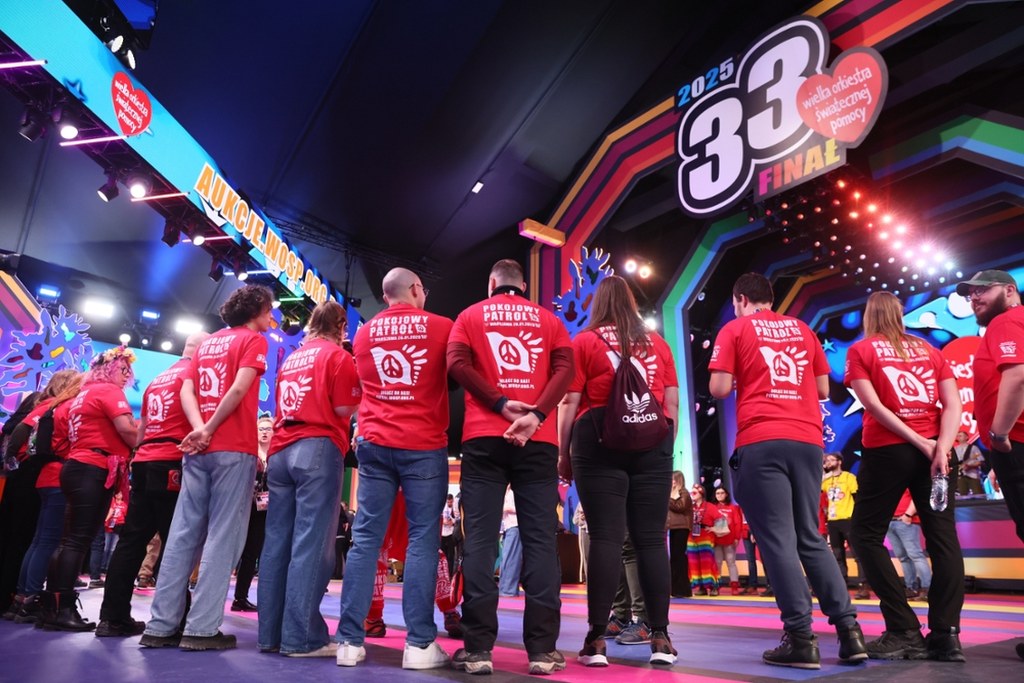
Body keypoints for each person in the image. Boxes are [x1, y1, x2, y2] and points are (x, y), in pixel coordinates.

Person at [708, 273, 867, 669]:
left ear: (740, 299)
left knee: (778, 540)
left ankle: (800, 638)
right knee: (810, 537)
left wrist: (748, 377)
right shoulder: (803, 330)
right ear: (771, 298)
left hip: (763, 438)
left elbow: (719, 388)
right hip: (808, 441)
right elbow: (823, 390)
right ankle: (850, 633)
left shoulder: (735, 329)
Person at [445, 258, 573, 675]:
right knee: (540, 541)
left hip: (483, 436)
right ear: (523, 285)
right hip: (538, 439)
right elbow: (566, 370)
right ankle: (542, 651)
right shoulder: (549, 320)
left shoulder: (469, 316)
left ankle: (478, 649)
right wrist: (536, 414)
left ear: (491, 283)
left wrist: (499, 403)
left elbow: (456, 365)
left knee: (481, 542)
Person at [141, 284, 272, 651]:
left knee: (182, 535)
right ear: (256, 309)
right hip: (232, 447)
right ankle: (200, 628)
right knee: (223, 536)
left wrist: (199, 429)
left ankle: (161, 626)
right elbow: (239, 389)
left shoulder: (207, 342)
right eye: (269, 309)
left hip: (197, 449)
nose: (272, 316)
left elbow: (188, 391)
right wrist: (210, 428)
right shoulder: (253, 341)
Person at [557, 275, 679, 667]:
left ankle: (596, 641)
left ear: (599, 305)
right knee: (651, 541)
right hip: (653, 443)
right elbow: (672, 404)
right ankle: (660, 638)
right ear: (631, 303)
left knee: (606, 539)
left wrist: (563, 453)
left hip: (597, 441)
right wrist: (664, 449)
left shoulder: (584, 342)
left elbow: (569, 402)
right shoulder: (658, 344)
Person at [334, 268, 452, 670]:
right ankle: (419, 645)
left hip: (374, 442)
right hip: (422, 443)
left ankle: (349, 642)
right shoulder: (441, 326)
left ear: (386, 296)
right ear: (416, 289)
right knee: (422, 540)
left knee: (365, 540)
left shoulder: (364, 333)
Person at [846, 291, 965, 661]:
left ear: (869, 316)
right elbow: (954, 404)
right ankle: (946, 636)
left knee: (864, 534)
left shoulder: (861, 350)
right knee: (943, 539)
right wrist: (941, 447)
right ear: (900, 315)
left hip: (888, 451)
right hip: (936, 450)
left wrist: (921, 443)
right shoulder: (930, 350)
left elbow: (873, 406)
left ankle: (904, 629)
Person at [257, 300, 360, 657]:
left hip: (281, 450)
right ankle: (302, 637)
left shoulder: (292, 358)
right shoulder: (338, 356)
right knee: (312, 544)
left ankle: (271, 635)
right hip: (317, 445)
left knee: (277, 544)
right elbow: (344, 407)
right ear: (341, 327)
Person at [37, 346, 138, 631]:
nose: (126, 375)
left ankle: (52, 607)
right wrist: (147, 433)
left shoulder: (82, 394)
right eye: (123, 369)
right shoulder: (108, 392)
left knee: (69, 540)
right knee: (77, 541)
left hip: (77, 466)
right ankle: (62, 609)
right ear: (108, 369)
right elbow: (127, 431)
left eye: (128, 371)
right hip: (92, 468)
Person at [956, 270, 1024, 662]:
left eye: (983, 289)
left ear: (1010, 291)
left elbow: (1017, 376)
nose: (975, 297)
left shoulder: (1006, 322)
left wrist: (999, 435)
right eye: (970, 293)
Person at [2, 369, 82, 623]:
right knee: (38, 539)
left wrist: (11, 462)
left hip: (30, 475)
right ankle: (24, 598)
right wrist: (12, 460)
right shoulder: (56, 406)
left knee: (32, 539)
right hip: (40, 474)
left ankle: (18, 598)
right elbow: (20, 431)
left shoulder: (44, 405)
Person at [231, 414, 273, 612]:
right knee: (239, 552)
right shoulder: (248, 454)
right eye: (261, 428)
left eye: (268, 429)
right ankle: (237, 597)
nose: (264, 432)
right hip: (245, 507)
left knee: (254, 553)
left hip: (266, 510)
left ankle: (241, 597)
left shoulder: (276, 455)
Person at [822, 453, 869, 598]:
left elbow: (857, 497)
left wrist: (858, 519)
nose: (829, 462)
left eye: (832, 460)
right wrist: (824, 473)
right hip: (833, 521)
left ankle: (863, 586)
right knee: (837, 555)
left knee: (857, 554)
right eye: (827, 460)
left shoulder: (849, 477)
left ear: (840, 462)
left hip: (848, 520)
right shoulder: (826, 480)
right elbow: (817, 490)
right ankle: (842, 585)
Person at [885, 491, 931, 601]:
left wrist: (908, 514)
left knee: (915, 555)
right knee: (903, 557)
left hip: (905, 520)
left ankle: (927, 588)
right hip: (890, 520)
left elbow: (917, 496)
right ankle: (911, 588)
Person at [687, 484, 720, 596]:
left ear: (701, 494)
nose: (692, 495)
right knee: (694, 563)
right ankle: (701, 586)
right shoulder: (689, 507)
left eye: (694, 493)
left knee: (708, 562)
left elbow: (721, 520)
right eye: (691, 493)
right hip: (691, 537)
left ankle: (714, 586)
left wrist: (713, 528)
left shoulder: (710, 506)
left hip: (705, 537)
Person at [712, 486, 744, 595]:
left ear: (726, 494)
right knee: (717, 563)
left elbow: (737, 523)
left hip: (730, 540)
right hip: (716, 540)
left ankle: (734, 586)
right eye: (717, 493)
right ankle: (716, 586)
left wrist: (737, 538)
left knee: (731, 563)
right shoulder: (712, 507)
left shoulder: (733, 508)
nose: (720, 495)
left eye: (722, 493)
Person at [666, 471, 692, 598]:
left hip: (681, 527)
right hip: (674, 527)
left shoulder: (684, 493)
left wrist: (668, 499)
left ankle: (682, 589)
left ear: (678, 480)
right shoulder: (674, 493)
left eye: (672, 479)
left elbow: (680, 506)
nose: (671, 482)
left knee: (679, 558)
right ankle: (676, 589)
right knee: (675, 558)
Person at [496, 487, 522, 597]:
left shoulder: (514, 491)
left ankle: (508, 590)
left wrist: (505, 507)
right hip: (509, 527)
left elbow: (522, 508)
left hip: (515, 526)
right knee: (506, 559)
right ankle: (505, 589)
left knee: (511, 559)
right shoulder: (506, 491)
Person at [952, 431, 985, 496]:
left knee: (977, 493)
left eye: (961, 435)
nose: (959, 437)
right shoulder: (955, 449)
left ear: (966, 437)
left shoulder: (973, 448)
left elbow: (981, 461)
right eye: (958, 436)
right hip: (960, 475)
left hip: (973, 475)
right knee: (962, 494)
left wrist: (970, 466)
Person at [440, 493, 460, 578]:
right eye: (448, 502)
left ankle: (450, 575)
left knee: (451, 556)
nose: (449, 503)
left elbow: (458, 518)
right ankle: (443, 575)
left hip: (451, 534)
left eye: (451, 502)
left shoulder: (455, 507)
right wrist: (443, 522)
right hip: (443, 534)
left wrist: (452, 522)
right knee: (442, 556)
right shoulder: (442, 507)